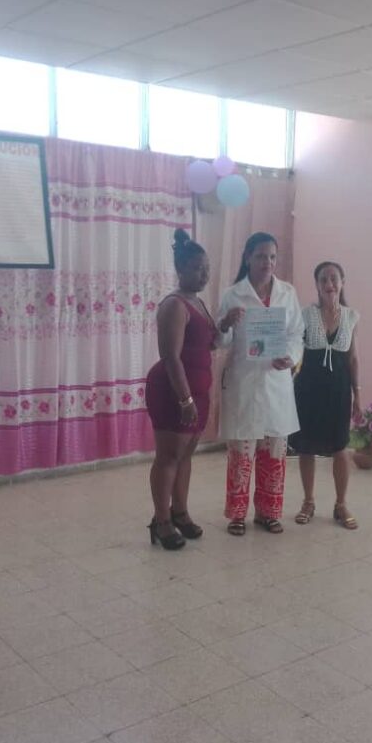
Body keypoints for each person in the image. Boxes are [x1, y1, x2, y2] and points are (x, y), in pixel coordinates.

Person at [216, 232, 304, 536]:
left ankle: (268, 513)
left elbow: (296, 334)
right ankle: (237, 515)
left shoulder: (287, 293)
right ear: (247, 258)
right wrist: (226, 323)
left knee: (274, 451)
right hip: (244, 382)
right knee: (242, 453)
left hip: (276, 383)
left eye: (272, 257)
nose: (267, 262)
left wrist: (291, 357)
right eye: (261, 256)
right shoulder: (233, 294)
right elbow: (220, 341)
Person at [144, 229, 216, 550]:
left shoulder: (197, 302)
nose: (205, 274)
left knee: (185, 455)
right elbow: (171, 358)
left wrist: (225, 324)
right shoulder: (174, 305)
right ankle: (161, 521)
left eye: (207, 268)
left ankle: (180, 512)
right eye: (198, 268)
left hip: (198, 391)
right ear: (181, 268)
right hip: (173, 391)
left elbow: (205, 344)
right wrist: (185, 399)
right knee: (169, 457)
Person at [289, 262, 360, 530]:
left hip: (339, 390)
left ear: (342, 282)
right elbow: (295, 350)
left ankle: (341, 504)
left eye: (334, 278)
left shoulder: (351, 317)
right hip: (308, 389)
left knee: (340, 448)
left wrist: (357, 395)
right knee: (306, 446)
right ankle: (308, 502)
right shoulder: (306, 315)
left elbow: (353, 359)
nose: (329, 284)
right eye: (323, 279)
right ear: (317, 284)